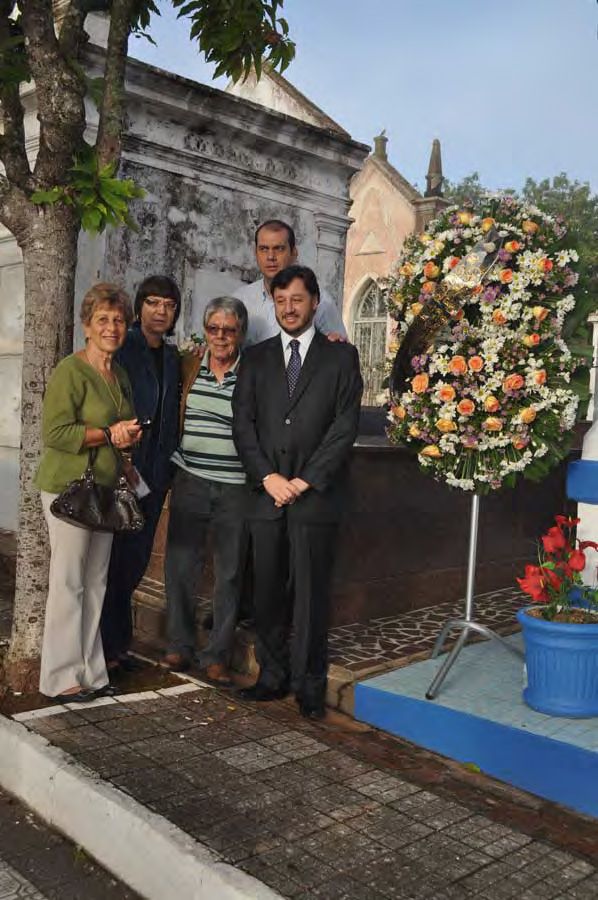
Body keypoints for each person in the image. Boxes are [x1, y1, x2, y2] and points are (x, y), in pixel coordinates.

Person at [232, 265, 363, 718]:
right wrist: (268, 477)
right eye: (281, 300)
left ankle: (310, 684)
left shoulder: (341, 358)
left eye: (298, 300)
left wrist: (304, 480)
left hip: (315, 498)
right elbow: (243, 425)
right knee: (266, 591)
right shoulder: (256, 358)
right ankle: (271, 676)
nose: (289, 308)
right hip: (266, 495)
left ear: (314, 302)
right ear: (274, 303)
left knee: (310, 595)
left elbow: (345, 427)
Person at [35, 283, 142, 702]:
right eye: (103, 320)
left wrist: (128, 443)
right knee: (68, 584)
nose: (112, 327)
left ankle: (91, 671)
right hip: (69, 491)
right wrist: (107, 434)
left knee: (95, 582)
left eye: (118, 320)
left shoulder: (120, 375)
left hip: (105, 492)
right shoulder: (70, 370)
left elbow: (125, 429)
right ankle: (59, 678)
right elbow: (55, 432)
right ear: (86, 326)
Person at [161, 297, 249, 686]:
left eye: (228, 330)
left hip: (237, 488)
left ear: (240, 333)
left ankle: (216, 654)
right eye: (213, 328)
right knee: (180, 566)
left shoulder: (252, 373)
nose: (220, 337)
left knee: (229, 575)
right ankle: (179, 644)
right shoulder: (190, 364)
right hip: (190, 480)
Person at [100, 275, 181, 673]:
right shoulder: (124, 347)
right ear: (139, 308)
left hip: (154, 475)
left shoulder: (171, 356)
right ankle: (106, 649)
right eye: (152, 303)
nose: (160, 311)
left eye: (168, 305)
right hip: (122, 470)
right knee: (113, 562)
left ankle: (117, 645)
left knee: (135, 563)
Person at [234, 219, 347, 346]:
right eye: (264, 249)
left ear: (294, 253)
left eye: (279, 248)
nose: (270, 256)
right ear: (256, 253)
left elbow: (339, 350)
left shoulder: (321, 302)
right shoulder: (241, 300)